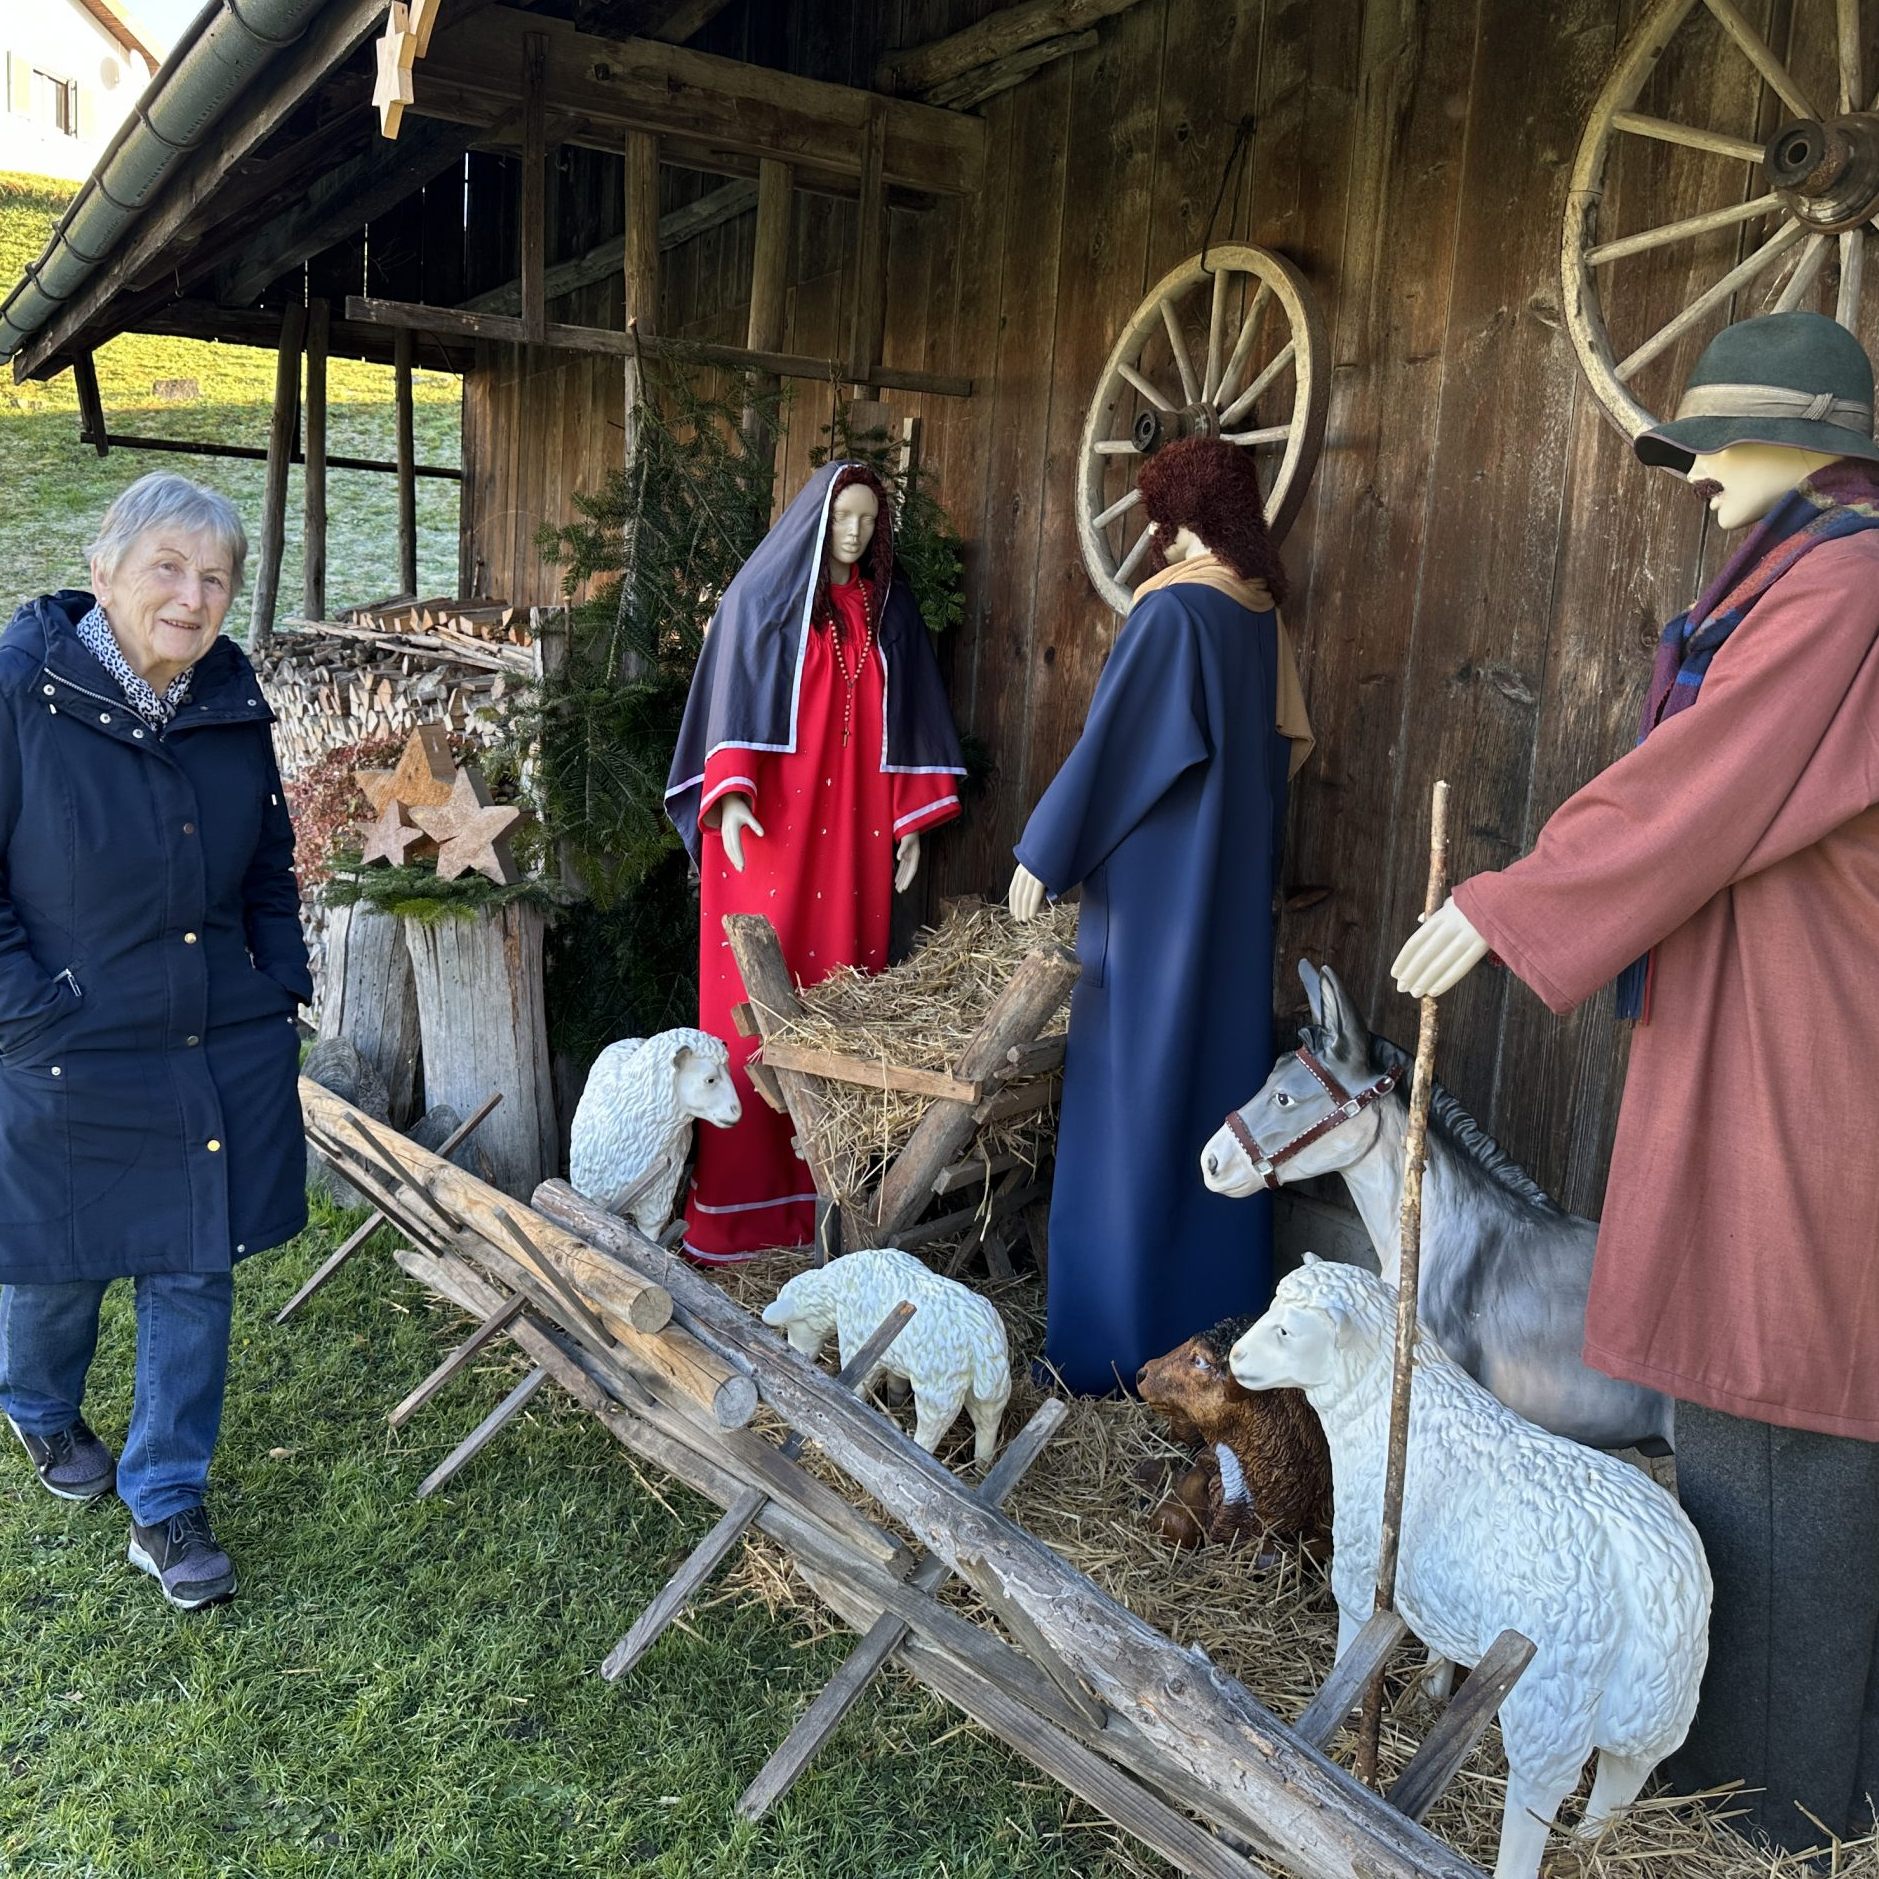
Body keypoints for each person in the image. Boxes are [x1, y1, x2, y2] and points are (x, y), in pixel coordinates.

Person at [1392, 311, 1879, 1852]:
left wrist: (1508, 897)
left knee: (1791, 1381)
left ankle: (1780, 1805)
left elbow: (1705, 778)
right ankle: (1728, 1759)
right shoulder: (1808, 578)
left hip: (1812, 1042)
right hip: (1760, 1016)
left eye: (1718, 445)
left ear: (1811, 446)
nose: (1695, 476)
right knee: (1737, 1386)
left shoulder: (1847, 581)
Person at [0, 471, 311, 1611]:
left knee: (194, 1264)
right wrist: (27, 1010)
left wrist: (276, 981)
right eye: (168, 568)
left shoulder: (230, 700)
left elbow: (270, 862)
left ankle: (165, 1495)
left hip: (212, 1034)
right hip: (73, 1038)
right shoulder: (18, 692)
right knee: (60, 1262)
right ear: (105, 572)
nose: (193, 595)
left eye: (215, 575)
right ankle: (35, 1405)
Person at [1007, 438, 1314, 1394]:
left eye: (1165, 515)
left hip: (1151, 907)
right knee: (1213, 1092)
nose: (1158, 535)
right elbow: (1286, 752)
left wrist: (1043, 852)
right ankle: (1214, 1332)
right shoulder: (1262, 622)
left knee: (1129, 1103)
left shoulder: (1175, 612)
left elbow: (1120, 750)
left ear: (1191, 519)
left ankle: (1110, 1348)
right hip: (1226, 906)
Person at [665, 461, 965, 1262]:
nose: (854, 533)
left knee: (840, 993)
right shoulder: (763, 602)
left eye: (869, 520)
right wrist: (726, 796)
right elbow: (729, 699)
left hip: (857, 829)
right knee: (753, 1001)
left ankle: (826, 1209)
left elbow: (912, 717)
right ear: (815, 518)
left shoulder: (887, 609)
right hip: (767, 829)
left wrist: (910, 823)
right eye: (842, 517)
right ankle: (741, 1208)